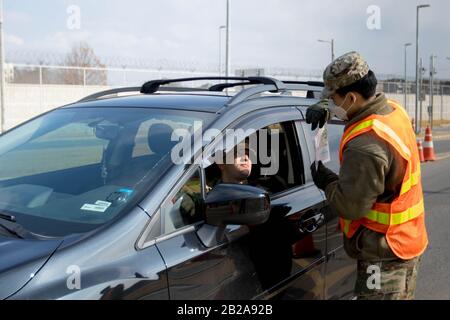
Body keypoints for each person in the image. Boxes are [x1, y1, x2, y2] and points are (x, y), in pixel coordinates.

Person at [306, 51, 428, 300]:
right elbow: (359, 114)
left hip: (385, 257)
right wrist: (329, 109)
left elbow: (351, 207)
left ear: (351, 97)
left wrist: (327, 181)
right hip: (405, 240)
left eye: (333, 98)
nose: (331, 102)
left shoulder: (366, 146)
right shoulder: (393, 110)